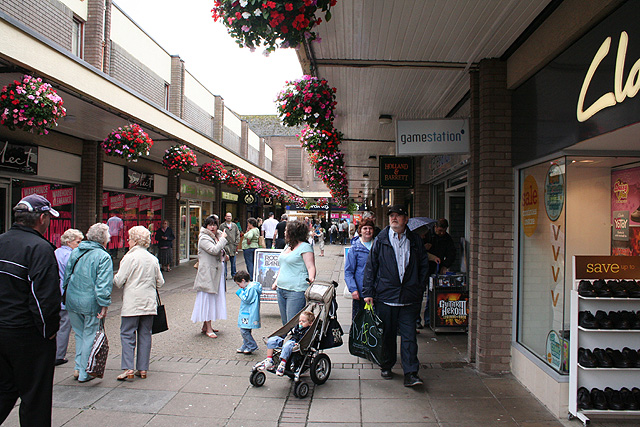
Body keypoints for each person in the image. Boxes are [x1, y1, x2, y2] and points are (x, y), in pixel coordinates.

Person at [0, 195, 61, 426]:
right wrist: (49, 330)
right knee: (35, 396)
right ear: (42, 218)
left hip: (4, 328)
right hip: (27, 333)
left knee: (5, 388)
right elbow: (44, 298)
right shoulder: (40, 248)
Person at [362, 205, 429, 387]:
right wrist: (368, 292)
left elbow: (424, 265)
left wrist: (419, 287)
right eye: (392, 215)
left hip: (409, 298)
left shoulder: (414, 240)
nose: (394, 218)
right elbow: (371, 267)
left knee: (409, 337)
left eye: (398, 216)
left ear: (406, 219)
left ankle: (411, 373)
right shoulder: (381, 239)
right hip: (386, 297)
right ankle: (386, 364)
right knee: (387, 335)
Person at [64, 223, 114, 383]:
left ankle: (78, 368)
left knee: (79, 335)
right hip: (91, 303)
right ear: (104, 239)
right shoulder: (103, 257)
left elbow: (67, 276)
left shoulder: (76, 252)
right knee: (90, 335)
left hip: (72, 300)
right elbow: (103, 285)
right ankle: (85, 373)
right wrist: (104, 304)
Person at [113, 226, 165, 381]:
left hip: (132, 303)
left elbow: (119, 281)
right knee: (145, 334)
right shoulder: (152, 258)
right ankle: (143, 368)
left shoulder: (129, 257)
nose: (128, 241)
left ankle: (128, 368)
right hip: (149, 303)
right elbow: (160, 282)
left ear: (135, 240)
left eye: (129, 238)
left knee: (127, 334)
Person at [272, 220, 316, 324]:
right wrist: (276, 282)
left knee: (292, 322)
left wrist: (311, 277)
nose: (284, 232)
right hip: (281, 288)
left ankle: (293, 340)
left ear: (293, 232)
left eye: (287, 230)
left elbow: (311, 266)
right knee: (285, 323)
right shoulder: (288, 246)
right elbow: (282, 266)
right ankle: (287, 340)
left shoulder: (305, 247)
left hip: (296, 290)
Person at [191, 217, 228, 338]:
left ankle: (205, 325)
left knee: (213, 298)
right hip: (208, 274)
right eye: (210, 225)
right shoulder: (204, 238)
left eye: (214, 225)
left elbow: (220, 251)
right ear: (206, 226)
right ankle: (208, 328)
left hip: (216, 272)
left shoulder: (215, 236)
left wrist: (225, 255)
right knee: (208, 298)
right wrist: (222, 239)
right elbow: (213, 250)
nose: (212, 227)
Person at [418, 218, 457, 328]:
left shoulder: (447, 239)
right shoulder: (426, 235)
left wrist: (445, 265)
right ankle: (417, 320)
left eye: (443, 231)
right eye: (439, 230)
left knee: (432, 295)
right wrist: (424, 248)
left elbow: (451, 253)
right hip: (423, 267)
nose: (441, 233)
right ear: (435, 227)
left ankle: (428, 320)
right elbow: (418, 250)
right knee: (419, 293)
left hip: (436, 268)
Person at [54, 228, 84, 366]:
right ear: (68, 242)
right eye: (78, 241)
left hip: (54, 293)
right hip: (66, 294)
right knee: (64, 325)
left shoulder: (55, 253)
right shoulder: (71, 256)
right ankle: (59, 355)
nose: (80, 244)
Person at [260, 311, 315, 376]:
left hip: (295, 343)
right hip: (287, 339)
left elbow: (304, 339)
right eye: (300, 321)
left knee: (287, 345)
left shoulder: (308, 331)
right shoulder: (297, 327)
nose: (301, 323)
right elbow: (289, 333)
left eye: (303, 321)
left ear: (310, 323)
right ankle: (269, 360)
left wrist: (298, 342)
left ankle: (282, 364)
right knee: (271, 340)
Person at [344, 218, 375, 320]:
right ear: (360, 231)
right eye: (365, 228)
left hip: (377, 291)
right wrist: (353, 289)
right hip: (360, 292)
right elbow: (348, 272)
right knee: (359, 322)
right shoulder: (355, 248)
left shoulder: (378, 246)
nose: (368, 231)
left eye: (370, 228)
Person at [233, 270, 262, 355]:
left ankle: (251, 345)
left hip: (249, 313)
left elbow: (247, 299)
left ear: (243, 280)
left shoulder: (251, 288)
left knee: (244, 330)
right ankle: (246, 344)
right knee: (245, 330)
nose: (239, 287)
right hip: (248, 313)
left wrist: (240, 293)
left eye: (239, 284)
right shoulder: (250, 287)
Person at [223, 212, 241, 279]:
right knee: (224, 261)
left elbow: (238, 234)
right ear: (225, 217)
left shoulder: (234, 225)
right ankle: (224, 275)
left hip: (233, 246)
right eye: (227, 216)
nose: (228, 218)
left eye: (230, 216)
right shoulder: (222, 226)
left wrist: (236, 242)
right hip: (225, 246)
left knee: (233, 262)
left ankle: (233, 274)